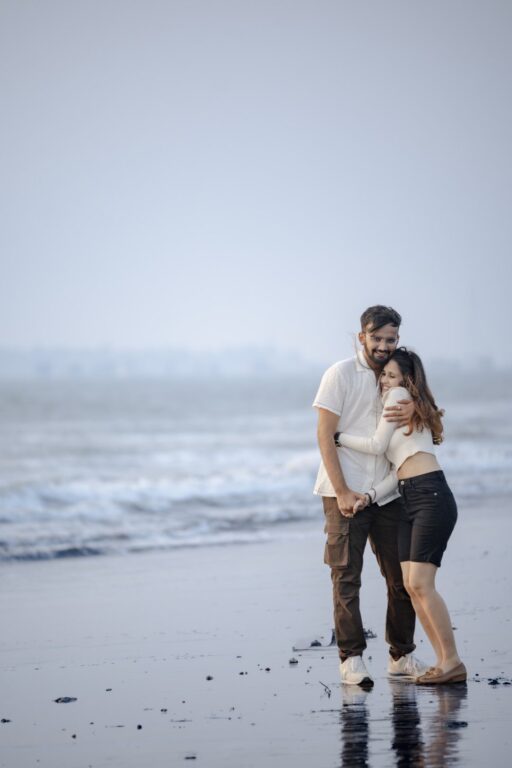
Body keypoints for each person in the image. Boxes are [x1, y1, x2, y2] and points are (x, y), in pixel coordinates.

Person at [335, 347, 466, 684]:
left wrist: (338, 437)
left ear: (407, 380)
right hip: (409, 494)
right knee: (410, 585)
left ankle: (452, 662)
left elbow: (377, 446)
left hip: (430, 495)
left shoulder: (398, 396)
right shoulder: (411, 404)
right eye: (384, 374)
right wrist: (370, 496)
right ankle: (443, 662)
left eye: (392, 375)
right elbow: (397, 471)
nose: (384, 381)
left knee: (420, 584)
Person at [314, 305, 427, 686]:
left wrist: (416, 406)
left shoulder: (399, 378)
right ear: (361, 336)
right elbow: (324, 436)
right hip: (343, 492)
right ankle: (351, 660)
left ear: (397, 339)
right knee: (347, 578)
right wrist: (343, 491)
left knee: (402, 578)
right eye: (376, 338)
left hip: (388, 493)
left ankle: (401, 656)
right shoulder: (340, 373)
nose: (382, 345)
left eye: (389, 339)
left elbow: (426, 423)